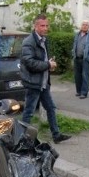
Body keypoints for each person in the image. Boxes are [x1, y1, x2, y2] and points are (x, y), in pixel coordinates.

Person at [20, 14, 71, 144]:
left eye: (47, 25)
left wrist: (49, 65)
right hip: (33, 82)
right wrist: (47, 65)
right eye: (42, 26)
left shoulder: (44, 40)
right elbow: (30, 63)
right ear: (36, 26)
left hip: (43, 82)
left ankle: (56, 134)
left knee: (51, 108)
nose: (45, 28)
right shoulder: (28, 42)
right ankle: (19, 137)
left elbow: (42, 60)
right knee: (29, 112)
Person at [72, 20, 89, 99]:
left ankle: (84, 93)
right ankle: (79, 91)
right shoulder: (77, 34)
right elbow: (74, 45)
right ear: (81, 26)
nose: (84, 26)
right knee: (77, 76)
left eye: (86, 25)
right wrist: (73, 53)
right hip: (77, 58)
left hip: (85, 59)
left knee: (85, 76)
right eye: (83, 24)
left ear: (88, 27)